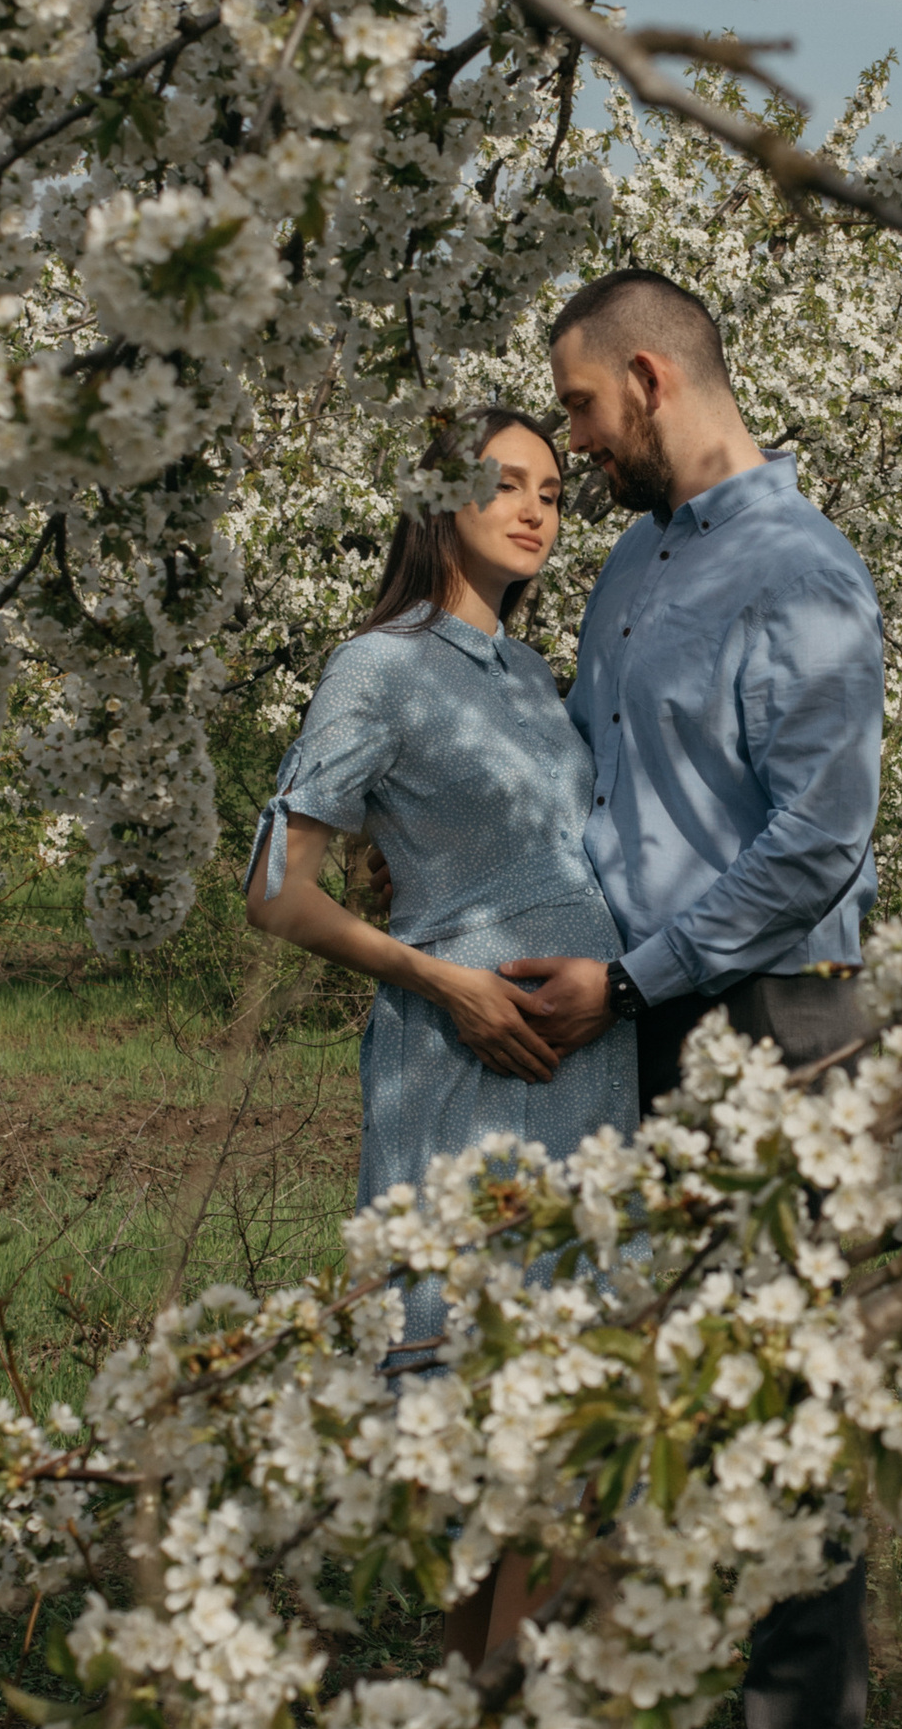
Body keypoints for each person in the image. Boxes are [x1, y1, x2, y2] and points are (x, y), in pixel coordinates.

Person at [499, 268, 885, 1729]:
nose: (571, 447)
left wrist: (641, 973)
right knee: (620, 1387)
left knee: (788, 1401)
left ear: (647, 381)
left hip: (773, 1020)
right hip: (624, 1016)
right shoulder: (636, 570)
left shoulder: (803, 578)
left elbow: (818, 845)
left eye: (579, 410)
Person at [243, 403, 641, 1496]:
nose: (535, 510)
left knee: (569, 1446)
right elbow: (276, 888)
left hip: (587, 1067)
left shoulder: (529, 675)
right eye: (505, 483)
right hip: (468, 1059)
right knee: (478, 1442)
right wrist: (441, 979)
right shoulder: (377, 666)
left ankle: (515, 1673)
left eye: (553, 493)